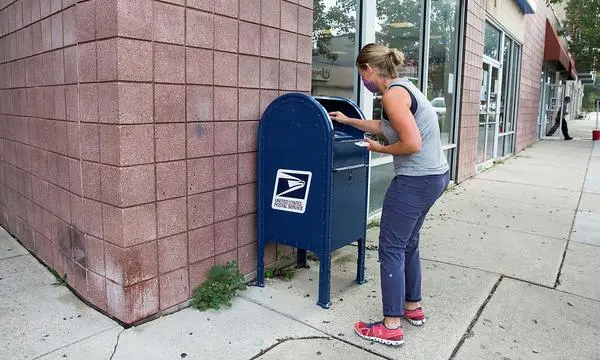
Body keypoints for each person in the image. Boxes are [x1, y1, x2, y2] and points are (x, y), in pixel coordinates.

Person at [329, 43, 449, 346]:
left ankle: (391, 325)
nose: (364, 82)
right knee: (408, 243)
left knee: (391, 248)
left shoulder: (392, 95)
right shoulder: (405, 88)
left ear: (369, 69)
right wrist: (347, 121)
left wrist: (377, 148)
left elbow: (410, 143)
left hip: (415, 180)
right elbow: (386, 126)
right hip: (434, 176)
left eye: (362, 74)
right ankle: (413, 308)